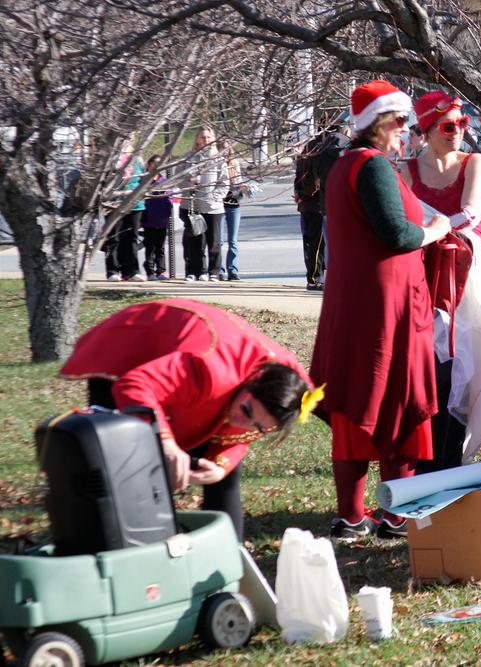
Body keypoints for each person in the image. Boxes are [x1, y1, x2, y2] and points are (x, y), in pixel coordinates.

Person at [309, 80, 450, 540]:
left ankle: (352, 515)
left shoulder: (344, 165)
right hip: (385, 308)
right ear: (378, 123)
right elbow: (398, 234)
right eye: (400, 122)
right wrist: (436, 229)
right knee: (396, 400)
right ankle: (394, 514)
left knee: (357, 398)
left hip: (357, 303)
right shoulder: (372, 167)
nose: (406, 131)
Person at [60, 298, 316, 539]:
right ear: (250, 383)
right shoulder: (208, 369)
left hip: (202, 377)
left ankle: (228, 564)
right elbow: (134, 385)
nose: (242, 423)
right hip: (129, 348)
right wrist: (167, 443)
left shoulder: (289, 394)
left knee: (224, 479)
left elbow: (241, 433)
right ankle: (136, 547)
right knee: (135, 462)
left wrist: (220, 466)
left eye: (259, 427)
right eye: (247, 411)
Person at [400, 90, 481, 472]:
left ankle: (450, 462)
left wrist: (429, 230)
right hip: (420, 276)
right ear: (427, 130)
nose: (458, 132)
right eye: (448, 126)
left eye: (462, 123)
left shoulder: (475, 162)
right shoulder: (405, 170)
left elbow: (470, 213)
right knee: (428, 369)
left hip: (466, 277)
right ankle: (423, 465)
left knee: (465, 370)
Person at [294, 123, 349, 290]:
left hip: (307, 202)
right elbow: (314, 179)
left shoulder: (309, 148)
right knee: (318, 244)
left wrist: (299, 191)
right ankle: (316, 278)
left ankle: (314, 277)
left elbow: (301, 174)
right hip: (316, 202)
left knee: (311, 242)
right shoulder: (323, 149)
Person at [189, 125, 228, 281]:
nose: (205, 140)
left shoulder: (218, 158)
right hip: (194, 206)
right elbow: (180, 181)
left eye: (208, 137)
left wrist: (213, 197)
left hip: (213, 207)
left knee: (214, 242)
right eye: (202, 137)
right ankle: (199, 271)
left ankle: (214, 271)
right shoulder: (190, 157)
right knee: (197, 241)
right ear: (197, 139)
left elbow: (224, 183)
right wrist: (189, 185)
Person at [106, 134, 145, 282]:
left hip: (135, 204)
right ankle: (113, 270)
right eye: (124, 136)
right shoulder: (111, 157)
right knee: (114, 238)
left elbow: (143, 180)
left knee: (132, 238)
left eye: (130, 137)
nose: (127, 139)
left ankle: (132, 270)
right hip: (113, 204)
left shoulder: (137, 158)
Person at [140, 154, 171, 280]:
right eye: (154, 163)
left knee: (160, 247)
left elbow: (169, 197)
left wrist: (167, 212)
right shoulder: (144, 180)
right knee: (150, 246)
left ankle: (161, 271)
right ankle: (150, 271)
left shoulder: (164, 181)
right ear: (149, 165)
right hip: (149, 219)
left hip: (161, 219)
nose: (156, 166)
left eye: (159, 163)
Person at [218, 138, 245, 281]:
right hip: (219, 206)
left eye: (228, 149)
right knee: (219, 241)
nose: (226, 152)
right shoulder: (216, 165)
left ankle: (232, 270)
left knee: (233, 241)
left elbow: (239, 184)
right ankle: (219, 270)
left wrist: (242, 187)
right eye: (223, 149)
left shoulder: (235, 164)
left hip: (233, 205)